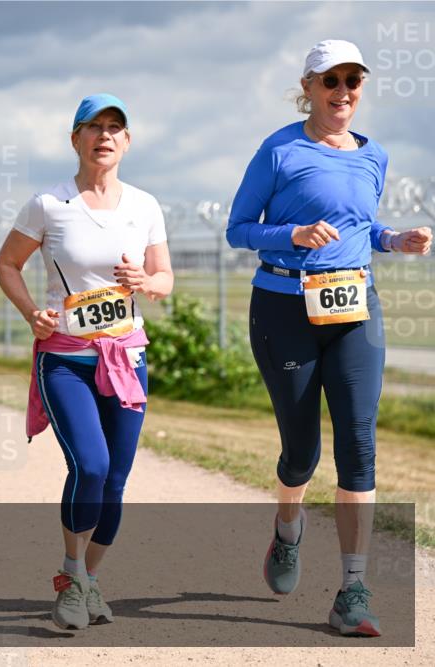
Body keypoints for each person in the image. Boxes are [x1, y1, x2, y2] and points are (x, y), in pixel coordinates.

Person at [226, 40, 432, 638]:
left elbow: (362, 227)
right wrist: (293, 234)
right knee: (301, 453)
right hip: (285, 308)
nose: (343, 92)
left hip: (355, 307)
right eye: (331, 81)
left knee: (359, 446)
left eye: (353, 81)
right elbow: (239, 230)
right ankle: (288, 528)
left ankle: (353, 588)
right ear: (309, 87)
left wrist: (396, 240)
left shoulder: (375, 156)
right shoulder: (280, 149)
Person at [0, 94, 173, 630]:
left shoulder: (145, 206)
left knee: (115, 478)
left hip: (126, 356)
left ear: (127, 141)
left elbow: (164, 279)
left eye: (115, 127)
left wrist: (148, 283)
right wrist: (33, 314)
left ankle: (89, 580)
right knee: (90, 466)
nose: (104, 136)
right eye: (93, 127)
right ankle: (71, 579)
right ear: (74, 139)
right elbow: (7, 265)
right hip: (66, 359)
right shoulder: (48, 204)